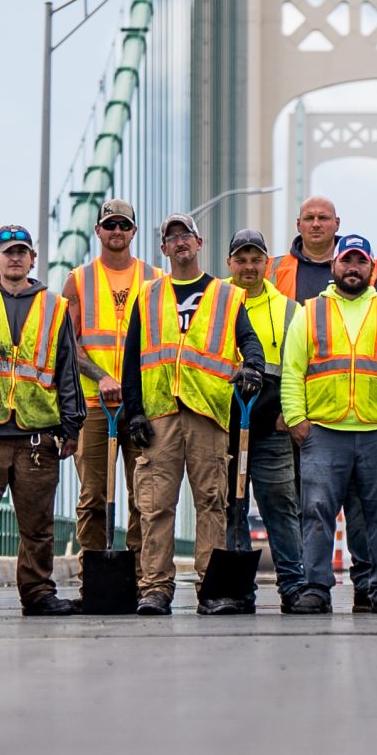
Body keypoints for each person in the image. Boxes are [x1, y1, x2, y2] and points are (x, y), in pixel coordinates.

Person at [120, 213, 266, 615]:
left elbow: (250, 343)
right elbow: (131, 362)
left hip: (209, 415)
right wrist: (134, 412)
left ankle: (212, 588)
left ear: (200, 244)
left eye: (187, 235)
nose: (180, 241)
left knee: (211, 503)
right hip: (160, 416)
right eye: (172, 237)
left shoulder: (225, 295)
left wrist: (252, 367)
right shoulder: (147, 296)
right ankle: (155, 588)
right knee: (155, 505)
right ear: (164, 249)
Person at [0, 224, 84, 617]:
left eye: (22, 251)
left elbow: (67, 370)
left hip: (37, 432)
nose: (15, 258)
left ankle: (38, 592)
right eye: (8, 252)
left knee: (37, 523)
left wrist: (71, 426)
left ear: (32, 259)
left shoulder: (56, 307)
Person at [279, 234, 377, 613]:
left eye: (361, 262)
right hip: (324, 432)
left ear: (373, 268)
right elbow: (293, 372)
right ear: (334, 266)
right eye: (347, 261)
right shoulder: (309, 313)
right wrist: (297, 421)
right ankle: (315, 588)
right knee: (316, 512)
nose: (353, 268)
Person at [224, 228, 309, 611]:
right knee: (231, 507)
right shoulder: (216, 303)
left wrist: (288, 417)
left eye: (256, 259)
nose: (248, 267)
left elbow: (301, 371)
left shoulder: (291, 310)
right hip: (225, 428)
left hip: (272, 429)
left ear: (267, 264)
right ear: (229, 263)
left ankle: (293, 585)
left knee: (281, 505)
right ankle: (237, 588)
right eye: (241, 259)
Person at [60, 199, 150, 557]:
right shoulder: (78, 280)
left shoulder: (155, 280)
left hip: (141, 405)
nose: (117, 231)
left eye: (124, 226)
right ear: (97, 230)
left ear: (134, 232)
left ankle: (144, 579)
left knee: (145, 496)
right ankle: (93, 575)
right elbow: (69, 344)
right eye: (110, 225)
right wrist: (101, 377)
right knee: (93, 496)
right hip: (95, 406)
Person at [272, 194, 377, 301]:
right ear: (298, 225)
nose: (316, 224)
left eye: (323, 218)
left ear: (337, 223)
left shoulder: (365, 268)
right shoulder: (274, 270)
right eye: (309, 218)